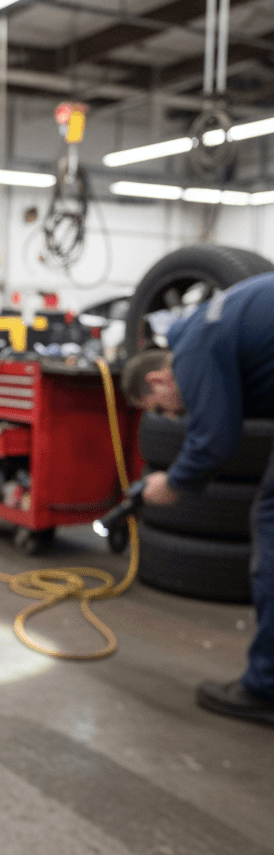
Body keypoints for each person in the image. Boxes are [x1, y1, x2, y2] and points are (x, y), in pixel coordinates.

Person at [122, 271, 274, 727]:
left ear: (158, 378)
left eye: (161, 410)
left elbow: (214, 440)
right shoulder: (219, 319)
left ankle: (266, 688)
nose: (173, 418)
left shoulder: (193, 345)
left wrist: (171, 485)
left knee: (271, 522)